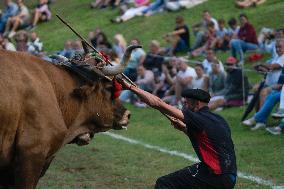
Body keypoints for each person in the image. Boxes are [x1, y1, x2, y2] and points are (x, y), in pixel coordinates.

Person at [118, 80, 237, 189]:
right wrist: (184, 129)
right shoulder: (219, 119)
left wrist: (130, 88)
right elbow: (207, 140)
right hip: (230, 177)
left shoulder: (198, 118)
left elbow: (159, 104)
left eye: (186, 103)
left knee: (164, 184)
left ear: (197, 104)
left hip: (215, 176)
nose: (184, 106)